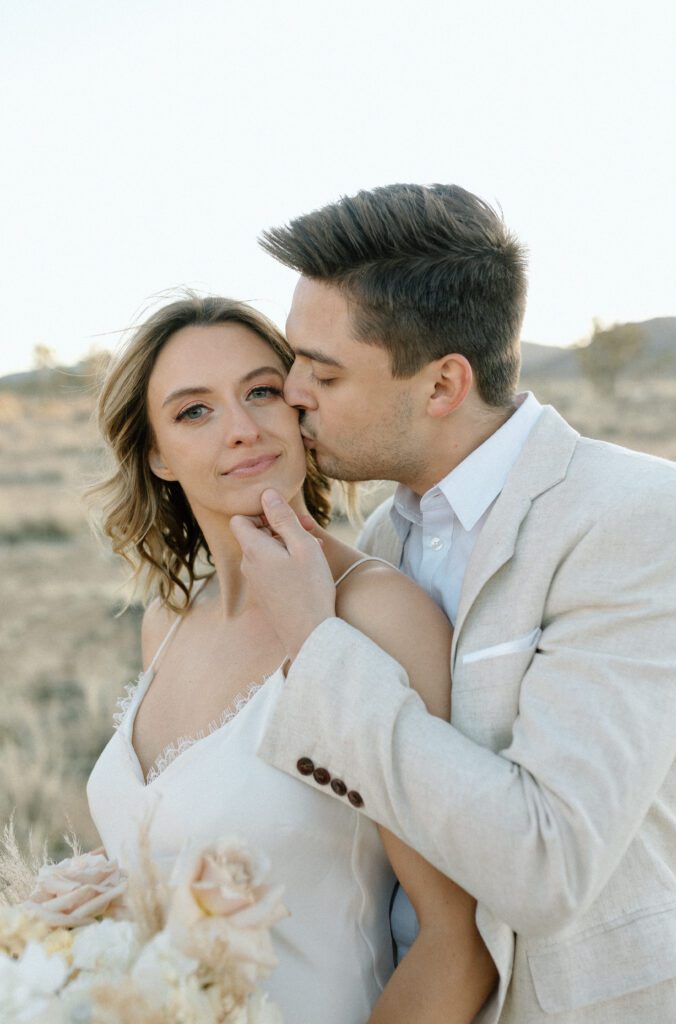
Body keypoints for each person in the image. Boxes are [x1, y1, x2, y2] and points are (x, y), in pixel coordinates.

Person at [230, 184, 676, 1023]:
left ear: (442, 385)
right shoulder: (382, 540)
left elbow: (547, 868)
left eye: (322, 372)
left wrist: (316, 643)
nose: (291, 392)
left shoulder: (635, 517)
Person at [86, 295, 496, 1024]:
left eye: (261, 392)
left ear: (301, 410)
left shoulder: (378, 614)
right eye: (194, 412)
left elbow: (455, 941)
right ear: (156, 453)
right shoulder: (167, 623)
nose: (242, 430)